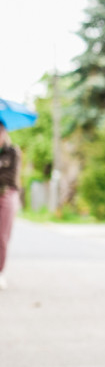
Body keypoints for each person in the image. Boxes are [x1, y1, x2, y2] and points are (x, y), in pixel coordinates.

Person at [0, 120, 23, 291]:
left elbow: (10, 177)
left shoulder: (12, 152)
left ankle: (0, 271)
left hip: (6, 195)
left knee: (2, 236)